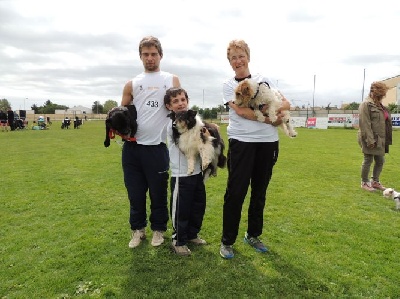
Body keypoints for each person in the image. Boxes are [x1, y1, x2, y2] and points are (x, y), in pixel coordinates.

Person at [219, 39, 290, 259]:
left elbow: (285, 104)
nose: (238, 61)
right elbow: (242, 112)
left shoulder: (262, 80)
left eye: (241, 56)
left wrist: (277, 114)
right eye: (233, 58)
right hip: (242, 142)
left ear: (248, 57)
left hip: (267, 144)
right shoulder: (229, 86)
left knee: (259, 191)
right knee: (236, 192)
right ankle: (227, 241)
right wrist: (273, 120)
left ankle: (253, 235)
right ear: (229, 62)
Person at [121, 36, 180, 249]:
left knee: (158, 194)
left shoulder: (171, 79)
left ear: (160, 55)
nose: (150, 58)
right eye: (145, 54)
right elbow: (123, 114)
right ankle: (138, 230)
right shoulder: (132, 84)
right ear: (140, 57)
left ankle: (158, 230)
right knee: (135, 193)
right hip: (132, 149)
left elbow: (178, 108)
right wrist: (119, 127)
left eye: (153, 54)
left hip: (157, 148)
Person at [163, 87, 208, 256]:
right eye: (175, 101)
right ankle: (178, 240)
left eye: (183, 99)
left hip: (197, 172)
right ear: (169, 106)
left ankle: (192, 234)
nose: (180, 103)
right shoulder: (173, 123)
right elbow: (188, 145)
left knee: (198, 205)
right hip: (181, 174)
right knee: (181, 209)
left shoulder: (194, 118)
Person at [358, 81, 392, 192]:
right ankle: (364, 182)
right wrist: (370, 140)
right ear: (373, 92)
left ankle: (375, 181)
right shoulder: (366, 104)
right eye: (380, 94)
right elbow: (365, 123)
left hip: (381, 138)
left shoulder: (381, 106)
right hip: (369, 137)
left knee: (380, 160)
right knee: (368, 159)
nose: (382, 96)